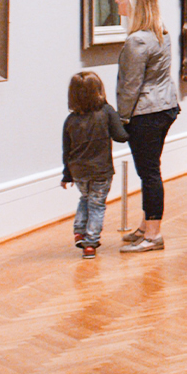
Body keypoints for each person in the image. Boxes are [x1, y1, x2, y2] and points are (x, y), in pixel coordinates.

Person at [115, 0, 180, 253]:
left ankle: (153, 235)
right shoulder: (159, 33)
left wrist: (121, 119)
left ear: (134, 4)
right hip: (165, 106)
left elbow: (130, 86)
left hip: (146, 112)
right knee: (149, 170)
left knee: (149, 172)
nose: (117, 0)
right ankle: (145, 226)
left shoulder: (137, 40)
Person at [60, 71, 124, 259]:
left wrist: (67, 175)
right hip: (101, 170)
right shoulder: (106, 112)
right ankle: (91, 242)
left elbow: (67, 150)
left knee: (85, 198)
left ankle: (79, 231)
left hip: (78, 171)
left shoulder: (70, 120)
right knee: (97, 204)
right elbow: (120, 136)